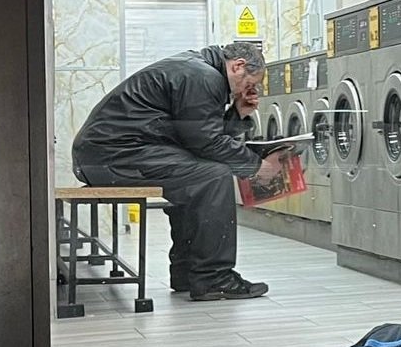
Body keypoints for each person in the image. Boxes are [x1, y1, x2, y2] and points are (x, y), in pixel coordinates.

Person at [72, 42, 284, 301]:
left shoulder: (200, 71)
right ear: (238, 66)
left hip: (109, 154)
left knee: (197, 175)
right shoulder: (203, 77)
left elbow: (197, 137)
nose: (248, 90)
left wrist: (238, 114)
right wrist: (257, 168)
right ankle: (213, 277)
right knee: (213, 176)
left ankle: (188, 273)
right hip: (112, 157)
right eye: (250, 83)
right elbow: (206, 141)